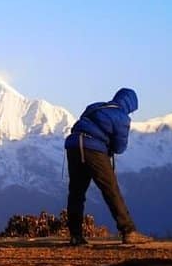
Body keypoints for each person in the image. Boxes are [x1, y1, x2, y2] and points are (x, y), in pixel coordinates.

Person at [64, 87, 150, 245]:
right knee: (111, 190)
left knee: (76, 192)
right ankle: (128, 231)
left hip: (74, 145)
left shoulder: (95, 106)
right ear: (130, 104)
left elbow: (82, 122)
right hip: (93, 149)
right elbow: (119, 147)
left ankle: (75, 235)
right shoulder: (122, 117)